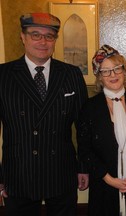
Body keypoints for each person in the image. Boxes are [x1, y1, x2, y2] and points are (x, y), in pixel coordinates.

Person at [0, 13, 89, 216]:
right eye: (35, 35)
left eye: (49, 36)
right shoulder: (3, 75)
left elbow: (84, 127)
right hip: (18, 173)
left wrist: (83, 166)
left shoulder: (71, 74)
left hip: (61, 171)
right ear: (23, 37)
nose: (43, 41)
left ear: (55, 40)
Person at [76, 44, 126, 216]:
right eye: (105, 71)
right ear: (99, 76)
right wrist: (110, 180)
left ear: (125, 71)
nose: (112, 75)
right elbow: (85, 150)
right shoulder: (90, 108)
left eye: (116, 68)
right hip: (105, 187)